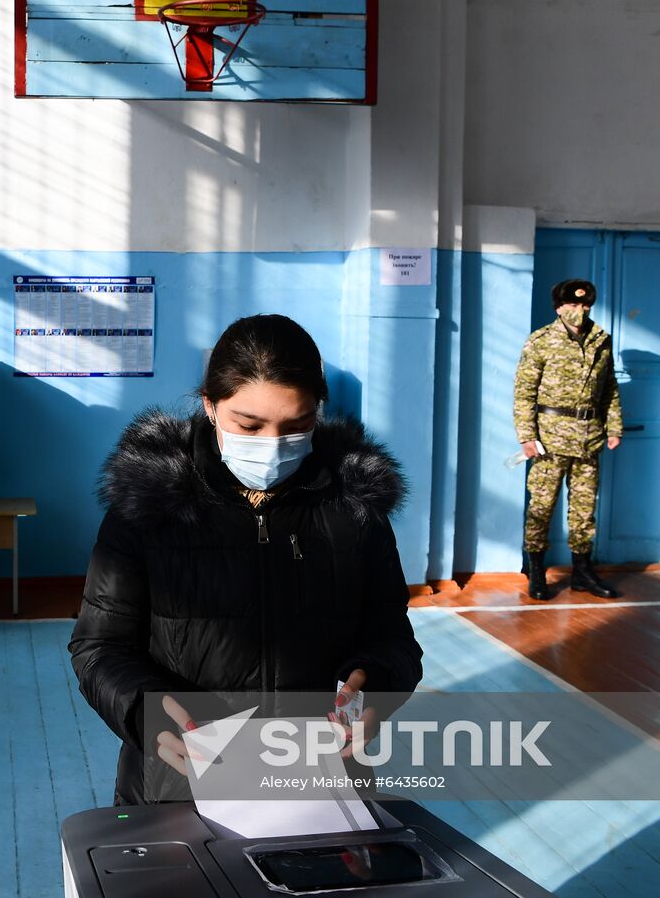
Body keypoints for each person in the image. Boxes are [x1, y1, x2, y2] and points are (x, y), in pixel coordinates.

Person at [69, 314, 423, 805]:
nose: (272, 445)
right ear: (210, 406)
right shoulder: (149, 503)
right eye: (249, 425)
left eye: (297, 426)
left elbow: (391, 636)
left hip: (319, 777)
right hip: (181, 780)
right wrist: (147, 711)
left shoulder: (354, 506)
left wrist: (377, 685)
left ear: (318, 413)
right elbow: (99, 649)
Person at [513, 279, 624, 601]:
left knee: (584, 511)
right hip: (550, 439)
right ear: (559, 308)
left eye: (586, 305)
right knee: (542, 507)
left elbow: (610, 389)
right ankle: (535, 571)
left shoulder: (601, 340)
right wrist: (527, 436)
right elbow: (523, 393)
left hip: (589, 439)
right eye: (574, 306)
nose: (581, 311)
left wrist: (614, 428)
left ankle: (582, 572)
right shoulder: (541, 341)